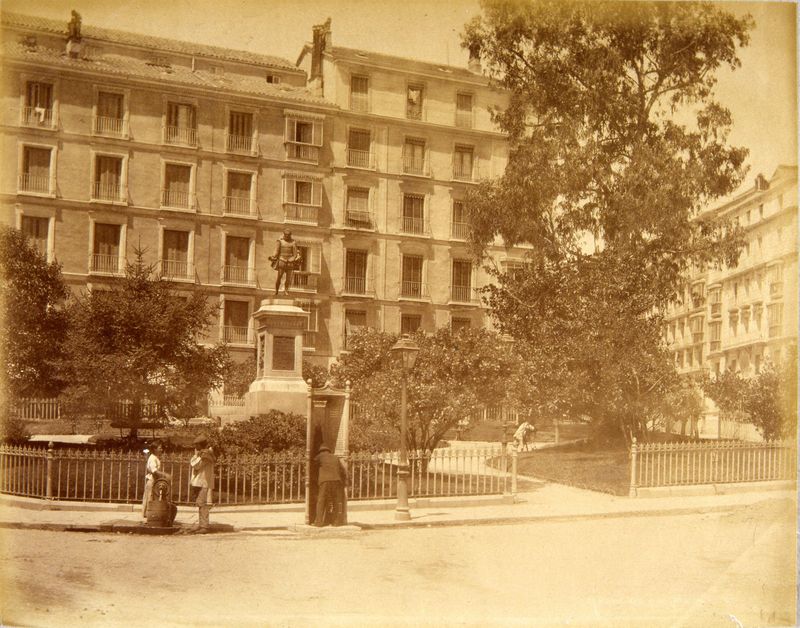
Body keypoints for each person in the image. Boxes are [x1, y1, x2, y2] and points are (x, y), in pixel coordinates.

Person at [314, 446, 347, 527]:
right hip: (337, 481)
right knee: (336, 501)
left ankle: (318, 522)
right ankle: (337, 522)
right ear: (329, 451)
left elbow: (312, 466)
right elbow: (343, 470)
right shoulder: (335, 457)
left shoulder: (319, 456)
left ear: (321, 451)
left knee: (321, 501)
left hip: (325, 481)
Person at [189, 436, 216, 533]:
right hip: (199, 482)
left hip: (203, 482)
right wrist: (197, 456)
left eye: (196, 444)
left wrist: (196, 456)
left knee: (203, 504)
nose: (195, 446)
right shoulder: (202, 454)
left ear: (201, 444)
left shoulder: (206, 455)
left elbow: (195, 465)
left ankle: (204, 526)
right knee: (200, 504)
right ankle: (201, 524)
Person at [269, 229, 301, 296]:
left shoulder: (293, 242)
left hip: (290, 261)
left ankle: (286, 291)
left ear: (290, 235)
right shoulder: (280, 241)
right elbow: (276, 251)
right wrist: (273, 256)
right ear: (284, 234)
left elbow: (295, 253)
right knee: (279, 277)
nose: (287, 236)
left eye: (288, 235)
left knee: (288, 279)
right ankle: (276, 290)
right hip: (282, 260)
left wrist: (293, 258)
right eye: (286, 235)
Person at [142, 441, 165, 520]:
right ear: (155, 449)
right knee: (150, 497)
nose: (161, 449)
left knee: (152, 497)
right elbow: (154, 470)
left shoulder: (155, 457)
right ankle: (148, 515)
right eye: (160, 448)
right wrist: (164, 475)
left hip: (155, 481)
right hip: (152, 480)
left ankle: (150, 514)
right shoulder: (152, 458)